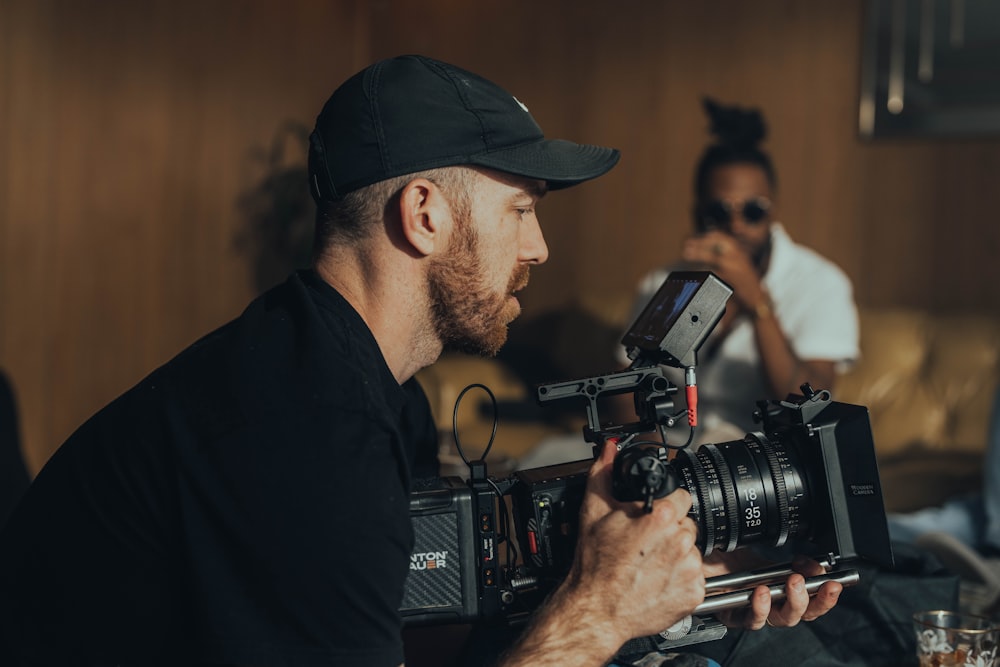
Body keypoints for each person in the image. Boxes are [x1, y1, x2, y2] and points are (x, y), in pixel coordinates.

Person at [0, 55, 839, 667]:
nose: (539, 247)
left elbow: (412, 624)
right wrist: (598, 610)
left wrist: (676, 581)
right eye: (520, 210)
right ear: (425, 215)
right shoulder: (304, 440)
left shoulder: (350, 375)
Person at [618, 98, 860, 443]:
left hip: (758, 455)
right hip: (670, 447)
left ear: (772, 212)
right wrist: (653, 452)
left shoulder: (820, 282)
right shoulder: (665, 281)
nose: (736, 227)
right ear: (697, 214)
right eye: (718, 211)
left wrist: (756, 299)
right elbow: (625, 389)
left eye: (752, 211)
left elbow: (808, 401)